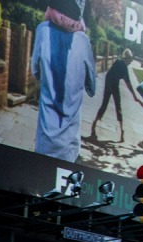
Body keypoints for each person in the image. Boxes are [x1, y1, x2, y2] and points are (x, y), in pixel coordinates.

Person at [31, 0, 96, 161]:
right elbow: (92, 88)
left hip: (44, 144)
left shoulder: (42, 30)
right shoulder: (83, 41)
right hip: (69, 148)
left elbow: (35, 72)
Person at [90, 49, 137, 142]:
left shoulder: (118, 61)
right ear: (128, 58)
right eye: (130, 60)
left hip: (108, 81)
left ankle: (94, 124)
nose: (130, 62)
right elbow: (128, 83)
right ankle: (122, 132)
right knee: (118, 107)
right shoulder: (123, 66)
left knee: (104, 104)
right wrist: (134, 95)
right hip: (113, 84)